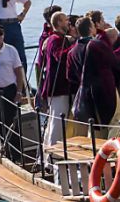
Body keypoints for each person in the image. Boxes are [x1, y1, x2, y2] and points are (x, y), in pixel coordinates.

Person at [67, 17, 120, 135]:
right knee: (116, 123)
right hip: (105, 89)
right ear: (91, 28)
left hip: (86, 92)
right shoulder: (96, 45)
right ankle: (113, 152)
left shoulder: (73, 52)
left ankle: (97, 151)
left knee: (95, 126)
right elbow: (116, 62)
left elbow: (70, 75)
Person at [0, 24, 28, 157]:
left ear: (3, 35)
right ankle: (4, 151)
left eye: (0, 34)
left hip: (9, 90)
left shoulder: (11, 50)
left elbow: (19, 71)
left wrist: (19, 92)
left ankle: (16, 154)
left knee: (11, 122)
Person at [38, 12, 73, 146]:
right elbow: (59, 56)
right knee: (57, 123)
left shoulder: (59, 39)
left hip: (59, 87)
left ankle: (47, 155)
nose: (68, 23)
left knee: (54, 122)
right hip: (58, 88)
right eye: (65, 20)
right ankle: (52, 158)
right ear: (59, 22)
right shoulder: (55, 40)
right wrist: (75, 46)